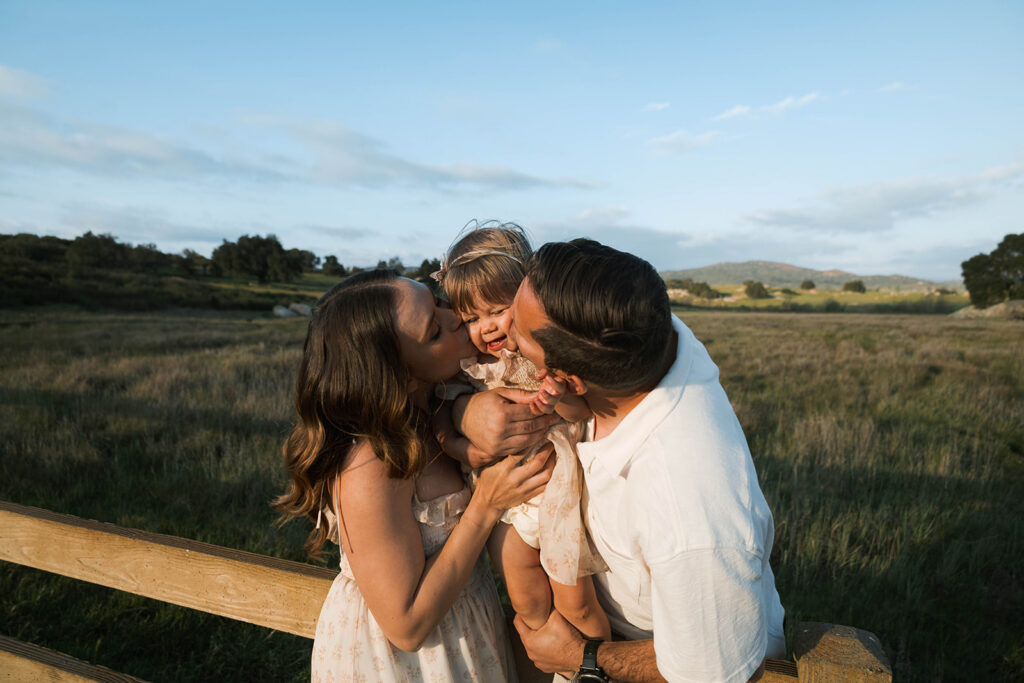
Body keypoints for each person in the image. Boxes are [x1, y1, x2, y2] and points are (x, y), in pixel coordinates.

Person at [457, 239, 786, 682]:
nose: (506, 336)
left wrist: (584, 659)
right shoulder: (631, 324)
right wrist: (465, 411)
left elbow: (713, 670)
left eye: (521, 339)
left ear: (568, 382)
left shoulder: (688, 510)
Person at [274, 269, 554, 682]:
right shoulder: (372, 463)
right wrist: (486, 505)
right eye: (434, 332)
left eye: (437, 301)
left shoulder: (435, 408)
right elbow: (405, 626)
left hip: (467, 634)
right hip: (405, 664)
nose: (454, 317)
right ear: (401, 374)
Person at [431, 222, 611, 644]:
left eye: (497, 310)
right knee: (526, 598)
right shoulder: (475, 365)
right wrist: (462, 448)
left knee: (577, 603)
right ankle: (547, 663)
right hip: (507, 501)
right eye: (471, 317)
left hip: (555, 494)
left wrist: (555, 397)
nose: (486, 327)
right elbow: (440, 408)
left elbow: (580, 411)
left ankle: (597, 667)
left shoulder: (547, 355)